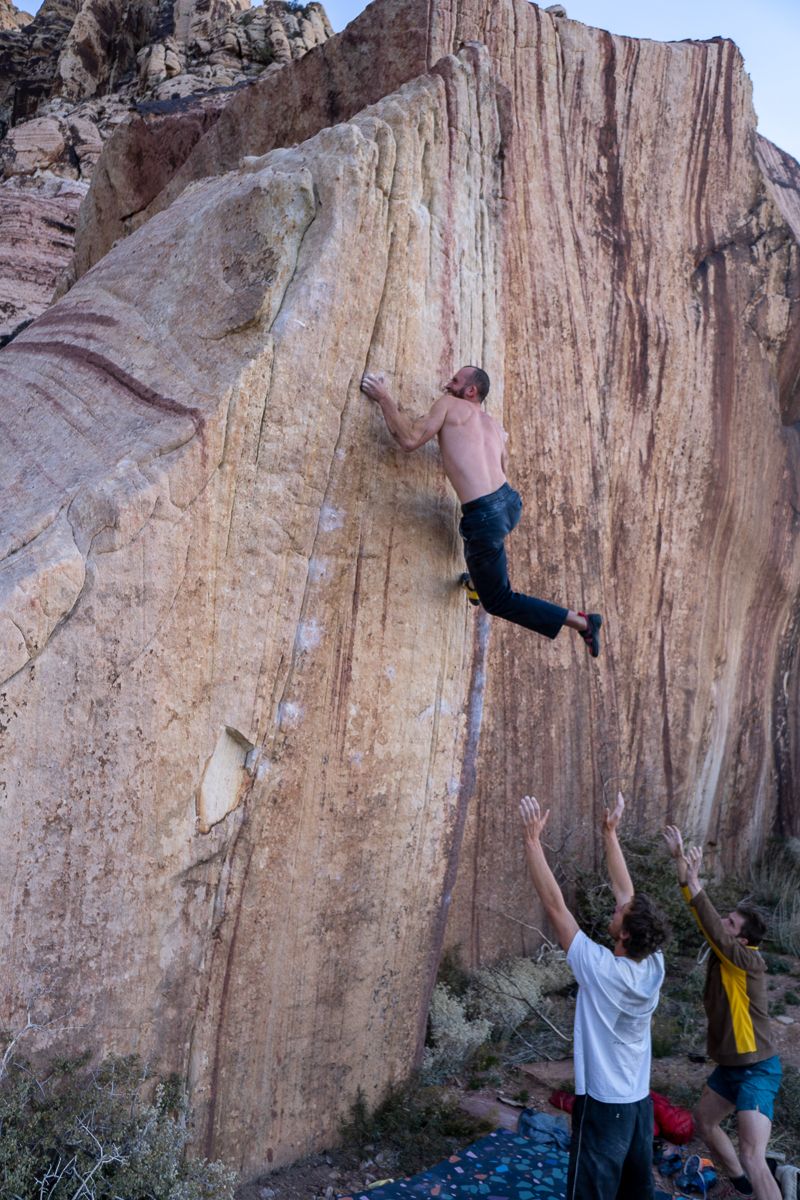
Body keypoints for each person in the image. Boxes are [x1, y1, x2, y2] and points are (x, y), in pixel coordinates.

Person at [360, 366, 602, 655]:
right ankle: (476, 580)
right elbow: (500, 468)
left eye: (455, 381)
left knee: (499, 600)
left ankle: (582, 621)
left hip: (485, 516)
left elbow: (410, 439)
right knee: (485, 547)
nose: (447, 385)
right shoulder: (493, 426)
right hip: (510, 504)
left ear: (471, 391)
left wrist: (383, 397)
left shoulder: (449, 405)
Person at [520, 791, 669, 1199]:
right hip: (638, 1103)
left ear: (624, 934)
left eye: (620, 914)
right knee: (636, 1191)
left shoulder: (602, 971)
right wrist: (610, 833)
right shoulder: (652, 963)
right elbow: (626, 891)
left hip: (604, 1106)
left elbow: (556, 908)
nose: (616, 907)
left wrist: (533, 843)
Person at [663, 827, 782, 1200]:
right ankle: (743, 1185)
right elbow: (708, 924)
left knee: (753, 1154)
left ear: (742, 940)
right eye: (727, 920)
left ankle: (762, 1182)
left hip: (758, 1067)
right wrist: (681, 865)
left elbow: (711, 925)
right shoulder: (725, 954)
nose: (723, 926)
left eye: (732, 925)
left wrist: (696, 880)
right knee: (705, 1122)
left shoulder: (745, 960)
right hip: (731, 1067)